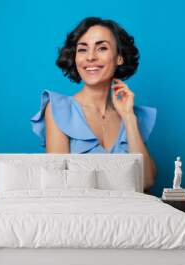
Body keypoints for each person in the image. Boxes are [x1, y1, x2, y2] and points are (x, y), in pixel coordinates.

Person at [30, 17, 157, 189]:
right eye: (82, 50)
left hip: (128, 214)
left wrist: (128, 117)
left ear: (119, 58)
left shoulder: (132, 115)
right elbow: (59, 186)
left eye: (102, 48)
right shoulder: (58, 109)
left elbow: (146, 181)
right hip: (80, 214)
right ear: (75, 58)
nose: (90, 57)